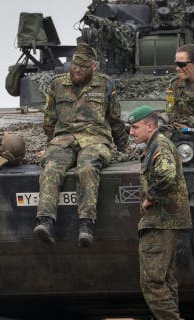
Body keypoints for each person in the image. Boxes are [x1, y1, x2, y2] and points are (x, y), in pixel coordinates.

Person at [33, 43, 128, 248]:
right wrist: (52, 144)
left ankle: (86, 225)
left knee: (87, 166)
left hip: (95, 139)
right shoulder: (57, 84)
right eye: (75, 65)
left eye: (83, 67)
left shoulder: (105, 85)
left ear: (94, 66)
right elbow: (49, 120)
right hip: (64, 139)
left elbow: (115, 119)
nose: (77, 70)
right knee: (51, 166)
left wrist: (124, 146)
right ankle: (45, 222)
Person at [128, 105, 192, 320]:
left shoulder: (160, 145)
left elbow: (166, 175)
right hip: (165, 220)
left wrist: (149, 198)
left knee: (152, 281)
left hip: (160, 220)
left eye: (135, 127)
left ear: (149, 126)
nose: (131, 132)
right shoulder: (155, 145)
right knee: (165, 280)